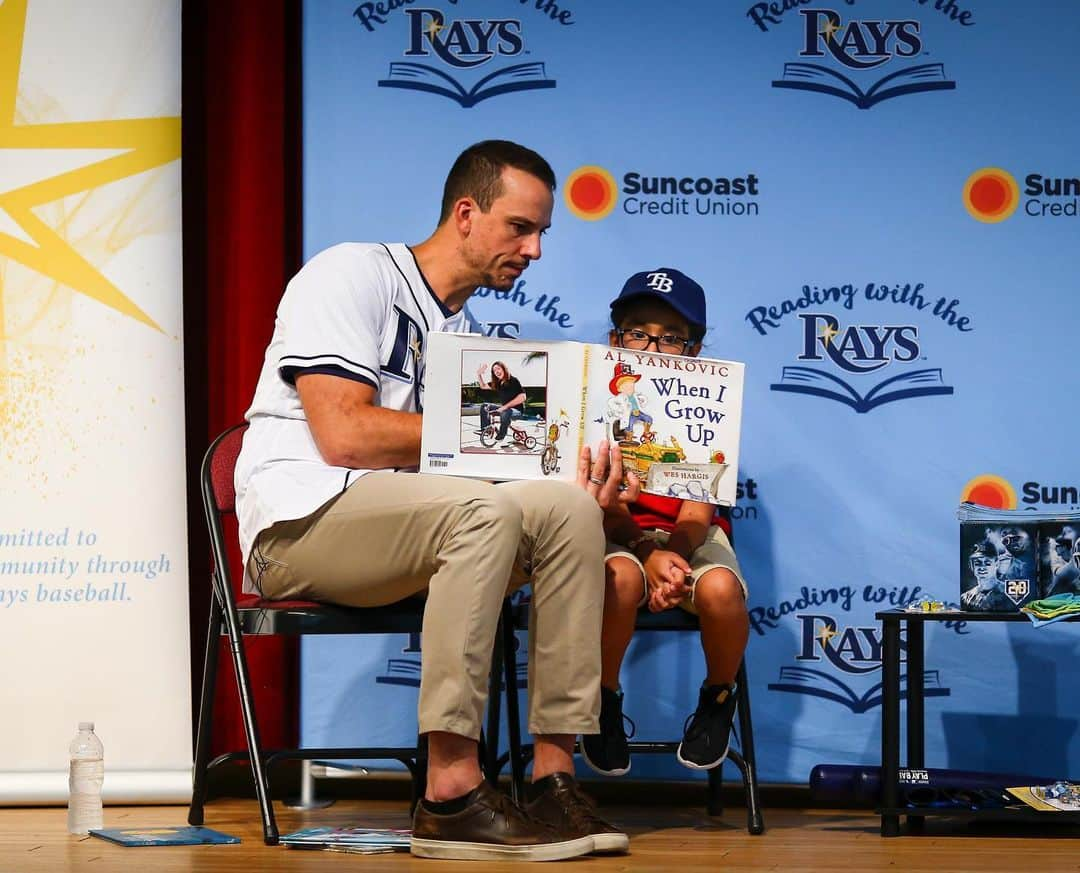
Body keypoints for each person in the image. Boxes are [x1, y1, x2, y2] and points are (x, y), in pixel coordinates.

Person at [234, 140, 635, 861]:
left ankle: (551, 777)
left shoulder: (462, 337)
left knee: (567, 510)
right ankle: (450, 791)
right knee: (486, 512)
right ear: (465, 213)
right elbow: (344, 434)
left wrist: (574, 474)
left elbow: (470, 467)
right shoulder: (350, 273)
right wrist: (499, 438)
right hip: (302, 524)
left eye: (543, 232)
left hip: (406, 526)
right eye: (521, 227)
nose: (535, 249)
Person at [580, 268, 750, 777]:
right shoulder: (589, 401)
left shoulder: (708, 407)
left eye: (672, 338)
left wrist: (672, 559)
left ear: (693, 350)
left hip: (688, 538)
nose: (653, 347)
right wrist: (646, 555)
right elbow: (599, 504)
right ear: (616, 339)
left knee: (720, 591)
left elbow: (699, 514)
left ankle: (719, 698)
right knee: (622, 577)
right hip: (613, 532)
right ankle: (603, 703)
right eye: (639, 332)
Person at [478, 360, 527, 448]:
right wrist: (479, 374)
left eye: (498, 369)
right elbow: (483, 386)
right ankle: (486, 430)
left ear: (504, 369)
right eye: (494, 370)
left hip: (517, 411)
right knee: (485, 406)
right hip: (505, 409)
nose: (496, 371)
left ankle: (502, 434)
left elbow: (523, 397)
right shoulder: (497, 383)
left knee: (506, 411)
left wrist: (505, 407)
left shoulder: (513, 380)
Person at [960, 539, 1013, 611]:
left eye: (987, 563)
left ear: (997, 564)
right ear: (972, 566)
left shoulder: (1010, 593)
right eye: (977, 563)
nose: (982, 567)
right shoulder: (965, 598)